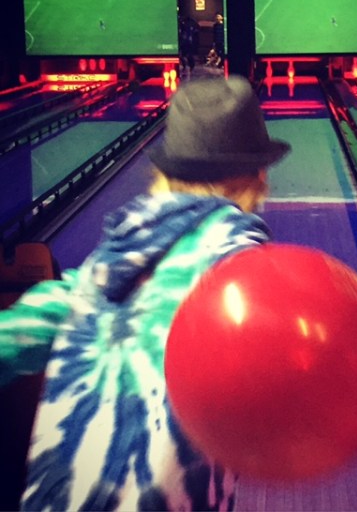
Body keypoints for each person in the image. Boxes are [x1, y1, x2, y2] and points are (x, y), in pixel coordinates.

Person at [0, 75, 291, 511]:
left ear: (163, 175)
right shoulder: (239, 262)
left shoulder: (103, 266)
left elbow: (17, 333)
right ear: (259, 177)